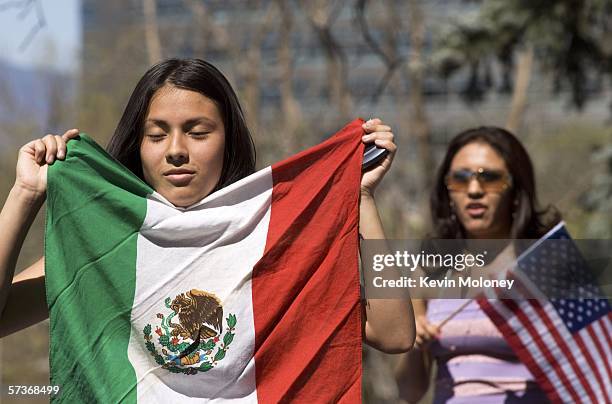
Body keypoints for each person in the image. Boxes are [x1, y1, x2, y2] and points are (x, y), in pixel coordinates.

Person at [0, 58, 414, 355]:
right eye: (157, 135)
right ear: (137, 145)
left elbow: (393, 334)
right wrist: (25, 194)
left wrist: (361, 198)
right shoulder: (103, 249)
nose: (176, 150)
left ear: (228, 140)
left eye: (198, 132)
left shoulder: (269, 239)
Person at [395, 126, 560, 403]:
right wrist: (414, 343)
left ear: (516, 189)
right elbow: (409, 391)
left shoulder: (546, 263)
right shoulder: (429, 269)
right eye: (460, 178)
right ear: (447, 191)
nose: (474, 190)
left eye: (490, 178)